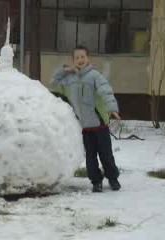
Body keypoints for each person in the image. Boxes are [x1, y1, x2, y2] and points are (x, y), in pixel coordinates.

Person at [50, 45, 121, 192]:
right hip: (85, 127)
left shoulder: (95, 75)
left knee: (106, 155)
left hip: (100, 124)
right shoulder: (69, 78)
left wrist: (112, 108)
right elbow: (53, 83)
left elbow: (105, 91)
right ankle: (96, 182)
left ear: (88, 58)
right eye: (77, 57)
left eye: (83, 57)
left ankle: (113, 178)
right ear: (73, 60)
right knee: (90, 158)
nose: (80, 60)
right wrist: (65, 70)